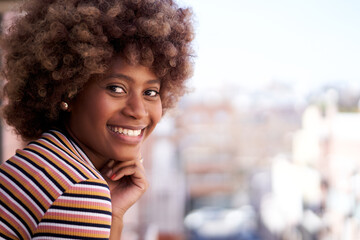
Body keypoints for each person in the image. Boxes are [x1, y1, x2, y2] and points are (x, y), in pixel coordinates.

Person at [0, 0, 194, 239]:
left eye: (150, 93)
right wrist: (97, 203)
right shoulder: (79, 190)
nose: (139, 111)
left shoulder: (40, 160)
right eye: (116, 88)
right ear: (69, 91)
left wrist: (114, 213)